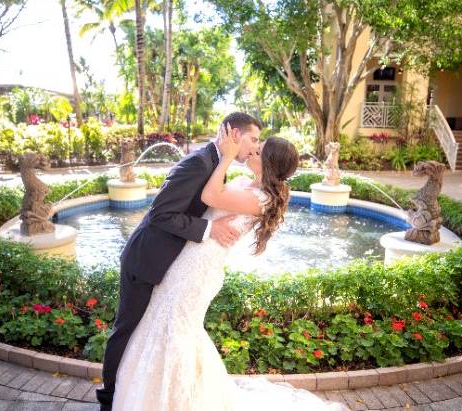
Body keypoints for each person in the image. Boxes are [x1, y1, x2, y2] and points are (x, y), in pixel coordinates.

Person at [110, 124, 349, 410]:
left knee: (178, 327)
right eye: (256, 144)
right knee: (166, 323)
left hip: (200, 268)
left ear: (269, 163)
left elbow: (210, 197)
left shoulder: (261, 198)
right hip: (187, 258)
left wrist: (225, 157)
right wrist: (208, 225)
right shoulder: (245, 183)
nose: (253, 150)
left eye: (260, 150)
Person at [97, 112, 262, 411]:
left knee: (145, 332)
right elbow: (161, 214)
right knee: (127, 330)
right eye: (253, 139)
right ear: (234, 134)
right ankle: (109, 400)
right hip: (146, 260)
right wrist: (211, 229)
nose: (254, 147)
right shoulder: (198, 163)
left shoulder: (216, 164)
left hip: (173, 266)